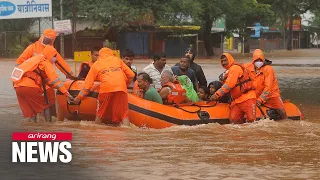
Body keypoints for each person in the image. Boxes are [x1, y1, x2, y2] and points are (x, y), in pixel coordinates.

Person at [72, 48, 135, 126]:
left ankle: (97, 132)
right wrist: (125, 85)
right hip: (121, 88)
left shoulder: (96, 64)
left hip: (106, 89)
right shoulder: (117, 60)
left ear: (100, 55)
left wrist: (78, 98)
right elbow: (131, 75)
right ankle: (127, 131)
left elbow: (87, 86)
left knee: (100, 113)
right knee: (124, 115)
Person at [11, 45, 73, 122]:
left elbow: (47, 81)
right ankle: (48, 125)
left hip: (18, 87)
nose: (55, 59)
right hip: (30, 87)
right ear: (50, 55)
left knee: (32, 112)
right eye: (54, 56)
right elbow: (55, 80)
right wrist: (66, 93)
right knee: (45, 106)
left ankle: (32, 129)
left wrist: (55, 87)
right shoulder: (45, 62)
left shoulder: (33, 60)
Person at [210, 53, 256, 124]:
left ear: (230, 59)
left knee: (251, 121)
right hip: (237, 101)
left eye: (225, 60)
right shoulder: (227, 72)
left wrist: (216, 95)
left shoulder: (235, 68)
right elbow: (222, 84)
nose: (223, 63)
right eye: (222, 61)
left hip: (248, 98)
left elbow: (229, 85)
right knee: (233, 121)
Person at [245, 49, 287, 120]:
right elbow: (238, 67)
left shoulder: (268, 69)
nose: (258, 62)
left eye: (260, 60)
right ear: (253, 60)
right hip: (255, 95)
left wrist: (260, 99)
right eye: (256, 60)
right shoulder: (248, 67)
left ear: (263, 60)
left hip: (271, 95)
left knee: (282, 111)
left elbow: (268, 88)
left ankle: (286, 121)